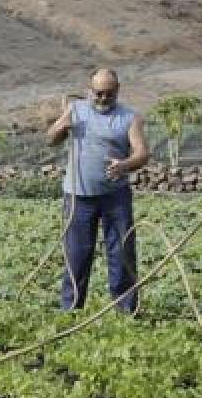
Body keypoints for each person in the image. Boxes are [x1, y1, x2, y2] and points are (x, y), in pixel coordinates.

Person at [47, 68, 150, 313]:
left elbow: (142, 153)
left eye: (109, 93)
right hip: (78, 196)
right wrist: (61, 125)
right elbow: (51, 140)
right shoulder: (76, 110)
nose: (103, 98)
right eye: (98, 93)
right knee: (76, 255)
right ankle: (70, 310)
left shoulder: (130, 117)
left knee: (122, 253)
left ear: (118, 90)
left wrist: (124, 165)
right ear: (89, 90)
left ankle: (126, 311)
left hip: (115, 197)